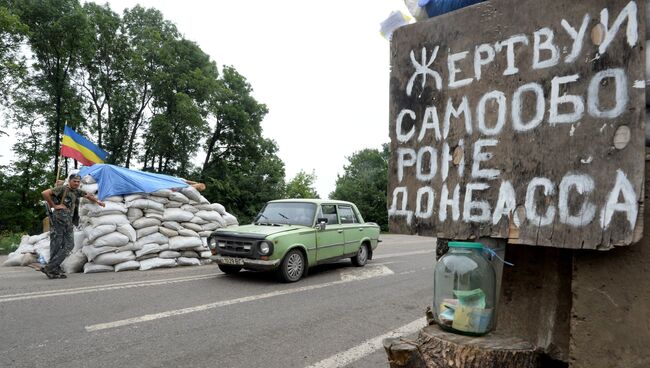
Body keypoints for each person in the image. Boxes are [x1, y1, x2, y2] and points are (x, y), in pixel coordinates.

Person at [41, 173, 105, 279]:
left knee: (64, 244)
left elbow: (87, 195)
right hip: (59, 219)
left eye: (78, 181)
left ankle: (52, 267)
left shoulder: (75, 191)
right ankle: (52, 267)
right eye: (74, 181)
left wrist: (98, 201)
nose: (76, 183)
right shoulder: (62, 189)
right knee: (60, 244)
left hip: (67, 221)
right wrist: (54, 206)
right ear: (69, 181)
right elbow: (45, 193)